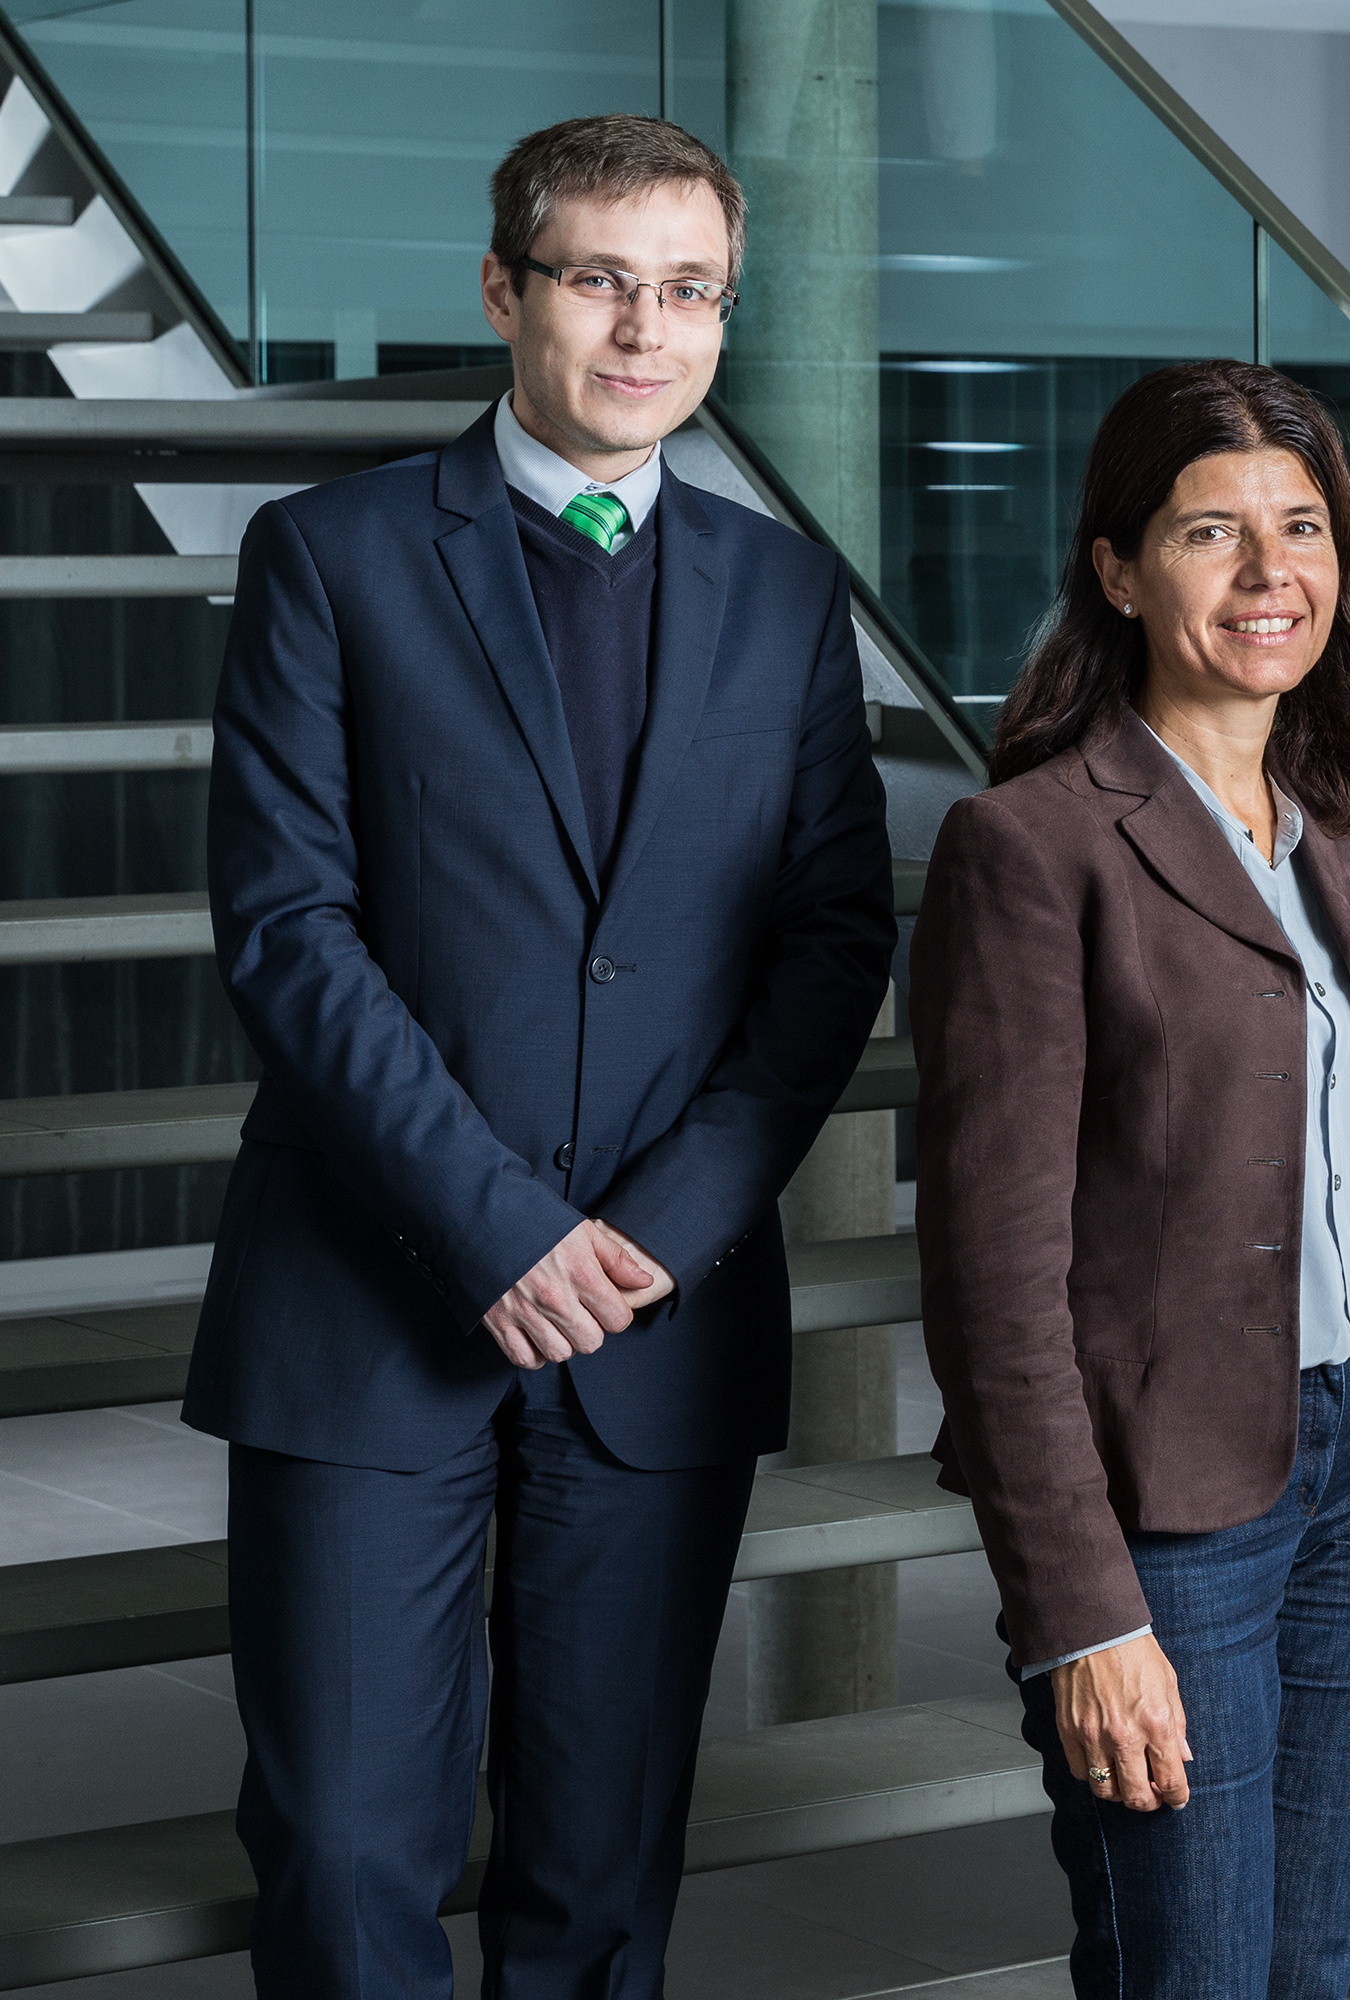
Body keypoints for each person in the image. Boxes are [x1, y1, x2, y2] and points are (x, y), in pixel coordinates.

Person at [187, 114, 896, 1995]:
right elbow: (287, 929)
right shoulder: (329, 556)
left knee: (601, 1871)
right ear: (505, 290)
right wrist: (498, 1227)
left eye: (691, 291)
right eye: (601, 279)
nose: (646, 329)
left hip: (659, 1307)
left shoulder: (783, 592)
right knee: (347, 1850)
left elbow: (834, 941)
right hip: (369, 1296)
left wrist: (664, 1225)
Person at [912, 359, 1350, 2000]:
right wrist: (1081, 1617)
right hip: (1166, 1507)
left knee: (1308, 1968)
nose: (1271, 574)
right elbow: (992, 1286)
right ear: (1118, 569)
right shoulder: (1032, 848)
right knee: (1189, 1973)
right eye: (1210, 532)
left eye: (1303, 527)